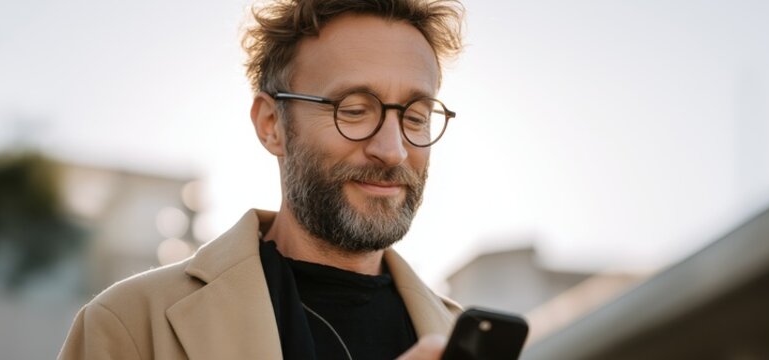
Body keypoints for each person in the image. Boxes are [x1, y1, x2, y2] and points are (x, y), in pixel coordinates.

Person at [59, 0, 465, 358]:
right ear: (272, 124)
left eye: (416, 117)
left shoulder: (463, 339)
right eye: (354, 110)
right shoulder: (129, 324)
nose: (392, 149)